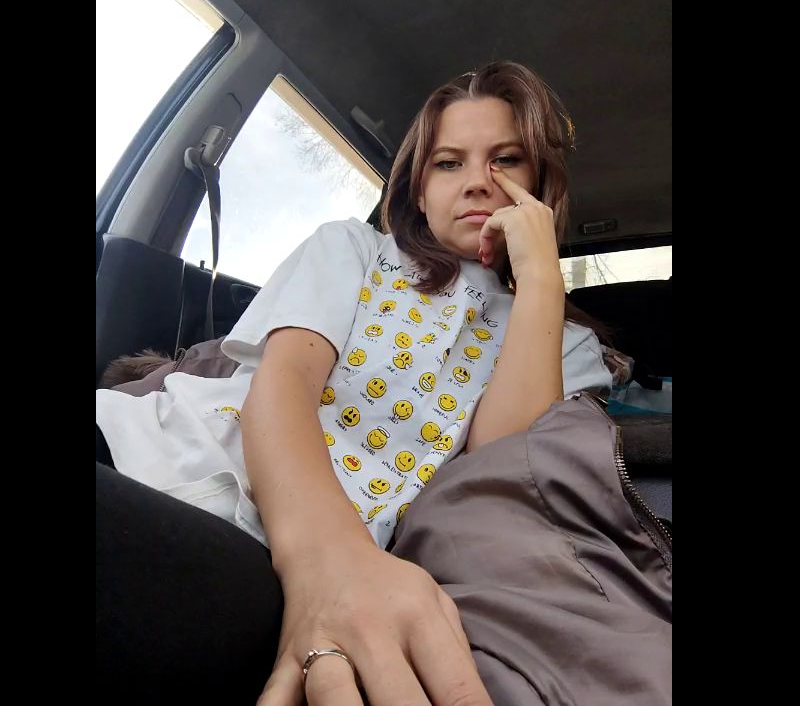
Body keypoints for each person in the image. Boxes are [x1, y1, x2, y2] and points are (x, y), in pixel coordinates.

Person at [96, 61, 612, 704]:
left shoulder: (568, 345)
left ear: (540, 183)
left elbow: (499, 469)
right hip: (166, 451)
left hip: (275, 555)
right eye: (448, 163)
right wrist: (325, 559)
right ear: (419, 190)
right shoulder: (356, 250)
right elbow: (283, 385)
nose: (479, 181)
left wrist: (540, 279)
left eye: (506, 161)